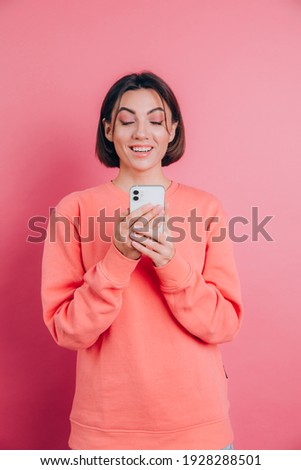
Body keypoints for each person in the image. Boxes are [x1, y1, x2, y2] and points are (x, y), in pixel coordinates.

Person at [41, 71, 243, 450]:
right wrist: (118, 258)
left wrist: (171, 264)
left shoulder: (206, 207)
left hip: (199, 431)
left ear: (172, 130)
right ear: (107, 129)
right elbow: (67, 330)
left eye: (155, 120)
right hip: (106, 431)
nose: (140, 133)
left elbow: (225, 324)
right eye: (126, 120)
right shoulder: (75, 209)